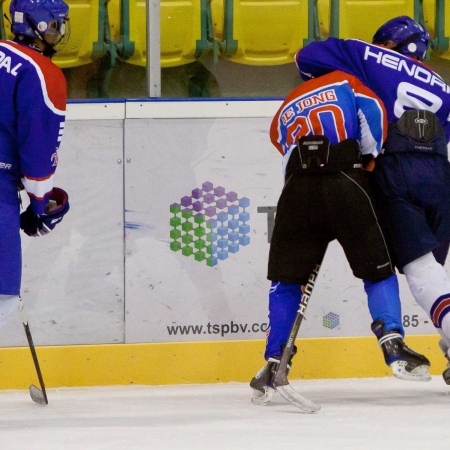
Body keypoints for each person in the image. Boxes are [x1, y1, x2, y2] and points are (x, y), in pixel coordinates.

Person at [250, 69, 431, 404]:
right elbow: (374, 119)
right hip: (347, 183)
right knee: (377, 272)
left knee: (286, 281)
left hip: (297, 192)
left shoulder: (288, 102)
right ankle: (392, 343)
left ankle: (274, 361)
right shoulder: (347, 81)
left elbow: (280, 141)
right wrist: (366, 162)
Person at [295, 16, 450, 384]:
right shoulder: (444, 85)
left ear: (387, 43)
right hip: (441, 174)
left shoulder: (368, 54)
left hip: (395, 168)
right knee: (436, 272)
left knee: (420, 269)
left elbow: (305, 58)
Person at [0, 0, 70, 329]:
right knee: (3, 297)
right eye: (55, 26)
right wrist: (39, 205)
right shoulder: (42, 73)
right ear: (35, 25)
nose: (58, 33)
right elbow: (38, 149)